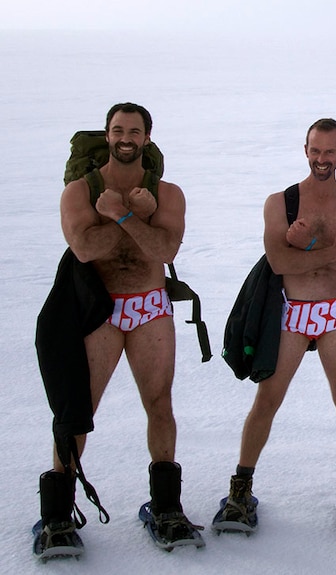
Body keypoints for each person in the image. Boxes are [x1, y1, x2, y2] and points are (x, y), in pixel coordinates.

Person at [36, 102, 198, 551]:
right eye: (117, 129)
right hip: (100, 310)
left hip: (149, 306)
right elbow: (86, 249)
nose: (125, 137)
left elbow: (165, 249)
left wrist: (126, 215)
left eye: (134, 130)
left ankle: (166, 507)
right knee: (78, 409)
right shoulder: (79, 191)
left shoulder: (168, 194)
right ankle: (56, 517)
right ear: (107, 136)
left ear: (147, 138)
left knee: (159, 403)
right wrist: (128, 217)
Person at [215, 118, 336, 529]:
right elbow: (280, 262)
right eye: (316, 150)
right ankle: (241, 488)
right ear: (306, 150)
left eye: (330, 151)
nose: (322, 159)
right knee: (267, 402)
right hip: (291, 312)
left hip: (335, 313)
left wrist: (305, 245)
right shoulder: (280, 203)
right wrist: (326, 249)